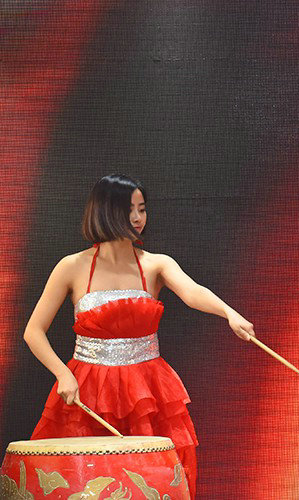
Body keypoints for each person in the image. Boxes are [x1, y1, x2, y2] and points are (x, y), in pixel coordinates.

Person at [23, 174, 256, 497]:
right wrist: (63, 374)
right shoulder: (71, 266)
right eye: (128, 209)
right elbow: (33, 331)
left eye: (142, 209)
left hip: (147, 387)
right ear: (104, 211)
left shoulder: (156, 264)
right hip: (89, 386)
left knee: (151, 477)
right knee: (88, 479)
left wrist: (229, 313)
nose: (137, 218)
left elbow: (192, 292)